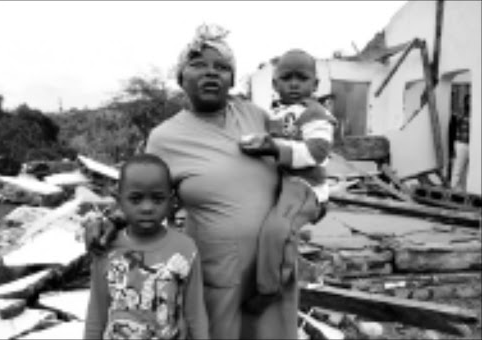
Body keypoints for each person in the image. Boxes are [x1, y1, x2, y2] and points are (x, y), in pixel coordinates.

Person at [85, 24, 321, 339]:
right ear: (181, 77)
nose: (212, 73)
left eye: (222, 67)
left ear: (233, 80)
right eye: (198, 65)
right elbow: (147, 194)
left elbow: (302, 163)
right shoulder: (166, 138)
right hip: (217, 275)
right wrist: (110, 221)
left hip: (273, 269)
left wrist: (311, 204)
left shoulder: (256, 117)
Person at [239, 49, 336, 312]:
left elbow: (318, 152)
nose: (294, 83)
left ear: (315, 85)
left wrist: (274, 149)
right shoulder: (273, 114)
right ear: (275, 83)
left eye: (302, 78)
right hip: (283, 184)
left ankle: (270, 288)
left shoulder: (315, 114)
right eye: (286, 77)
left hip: (304, 186)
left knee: (276, 230)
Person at [83, 154, 209, 340]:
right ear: (119, 199)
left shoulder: (185, 249)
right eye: (136, 199)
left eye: (158, 199)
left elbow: (195, 313)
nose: (147, 207)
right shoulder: (106, 248)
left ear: (171, 200)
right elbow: (97, 312)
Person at [450, 93, 471, 191]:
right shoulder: (462, 114)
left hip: (470, 144)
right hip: (462, 143)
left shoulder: (474, 115)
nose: (471, 102)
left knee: (466, 170)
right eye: (469, 100)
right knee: (458, 168)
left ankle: (463, 190)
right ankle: (454, 189)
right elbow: (455, 118)